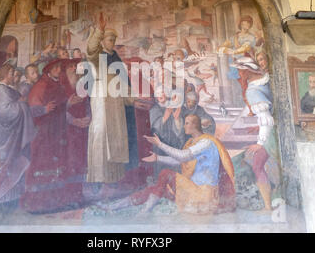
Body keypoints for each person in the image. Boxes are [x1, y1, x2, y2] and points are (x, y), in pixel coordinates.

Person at [97, 114, 235, 215]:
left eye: (187, 123)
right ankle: (114, 207)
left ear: (195, 125)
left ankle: (146, 211)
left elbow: (182, 156)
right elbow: (180, 160)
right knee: (155, 189)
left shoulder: (206, 143)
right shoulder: (192, 144)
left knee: (165, 174)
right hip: (192, 191)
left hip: (204, 195)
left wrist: (160, 144)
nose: (184, 125)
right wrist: (157, 158)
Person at [21, 59, 82, 212]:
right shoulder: (42, 85)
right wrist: (43, 110)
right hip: (45, 133)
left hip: (57, 131)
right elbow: (32, 109)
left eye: (59, 67)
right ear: (48, 70)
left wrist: (68, 103)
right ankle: (38, 204)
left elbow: (58, 105)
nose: (58, 69)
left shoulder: (57, 84)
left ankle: (58, 201)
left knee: (59, 165)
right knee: (43, 164)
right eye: (55, 67)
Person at [85, 13, 134, 183]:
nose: (111, 42)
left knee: (116, 137)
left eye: (113, 39)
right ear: (102, 41)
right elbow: (90, 48)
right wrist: (99, 30)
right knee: (101, 133)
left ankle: (114, 178)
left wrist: (131, 98)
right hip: (101, 98)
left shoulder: (116, 58)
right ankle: (99, 177)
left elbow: (124, 81)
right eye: (108, 39)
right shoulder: (97, 55)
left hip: (116, 102)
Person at [231, 51, 279, 210]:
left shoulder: (252, 91)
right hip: (270, 131)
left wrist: (260, 142)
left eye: (240, 70)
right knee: (253, 162)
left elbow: (266, 116)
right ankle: (268, 202)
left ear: (247, 71)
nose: (239, 74)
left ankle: (267, 206)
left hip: (269, 136)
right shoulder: (262, 81)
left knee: (256, 165)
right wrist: (259, 127)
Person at [0, 64, 37, 209]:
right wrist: (21, 105)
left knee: (16, 163)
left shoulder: (8, 89)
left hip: (14, 134)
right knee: (4, 165)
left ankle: (12, 197)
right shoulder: (0, 89)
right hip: (4, 137)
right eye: (10, 73)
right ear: (3, 74)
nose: (12, 75)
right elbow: (4, 112)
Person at [149, 89, 186, 177]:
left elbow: (179, 130)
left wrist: (177, 120)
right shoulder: (154, 109)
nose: (161, 95)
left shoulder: (172, 107)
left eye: (162, 92)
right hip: (160, 144)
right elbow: (154, 128)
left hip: (173, 143)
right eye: (158, 93)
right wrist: (165, 117)